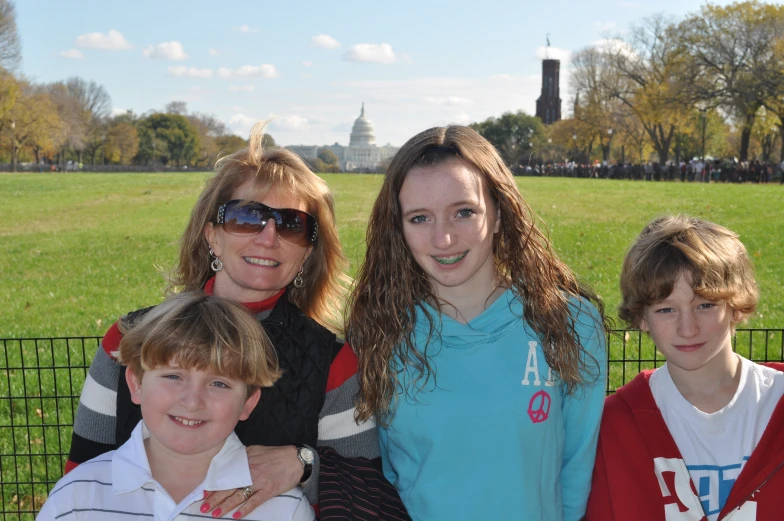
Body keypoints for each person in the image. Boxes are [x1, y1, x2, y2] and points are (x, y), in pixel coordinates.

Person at [66, 122, 408, 520]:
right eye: (248, 217)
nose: (268, 236)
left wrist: (304, 464)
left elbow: (363, 487)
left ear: (308, 253)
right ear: (213, 235)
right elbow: (83, 477)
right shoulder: (126, 341)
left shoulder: (333, 361)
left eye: (292, 224)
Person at [346, 125, 608, 521]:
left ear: (499, 213)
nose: (444, 239)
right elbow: (378, 475)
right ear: (398, 228)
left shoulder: (570, 323)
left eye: (464, 212)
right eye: (420, 218)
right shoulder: (378, 332)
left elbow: (575, 469)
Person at [38, 292, 315, 521]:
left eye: (219, 384)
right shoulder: (76, 497)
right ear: (136, 384)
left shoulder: (285, 509)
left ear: (248, 402)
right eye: (173, 376)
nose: (192, 401)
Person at [586, 215, 784, 521]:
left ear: (736, 306)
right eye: (666, 310)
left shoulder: (776, 402)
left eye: (705, 305)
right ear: (641, 318)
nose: (688, 328)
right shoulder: (617, 425)